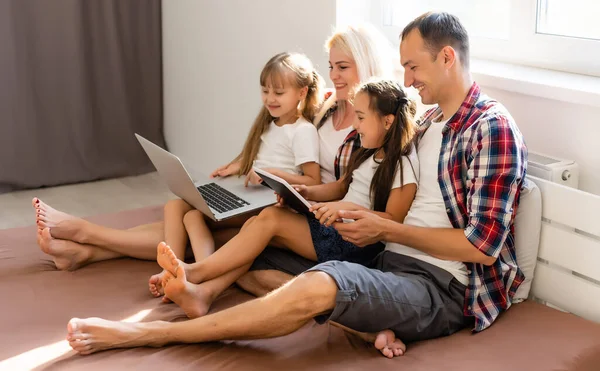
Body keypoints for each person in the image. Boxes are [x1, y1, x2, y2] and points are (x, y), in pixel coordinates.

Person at [65, 11, 526, 358]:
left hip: (439, 284)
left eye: (413, 68)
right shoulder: (424, 122)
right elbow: (366, 167)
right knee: (245, 245)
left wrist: (383, 228)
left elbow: (483, 247)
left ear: (447, 57)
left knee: (319, 284)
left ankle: (146, 334)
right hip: (386, 257)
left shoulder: (491, 128)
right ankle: (194, 285)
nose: (406, 80)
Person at [31, 24, 395, 297]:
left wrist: (281, 181)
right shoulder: (326, 108)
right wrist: (243, 164)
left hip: (304, 208)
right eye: (331, 66)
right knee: (191, 212)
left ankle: (89, 239)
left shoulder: (371, 124)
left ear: (365, 66)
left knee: (202, 224)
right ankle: (87, 252)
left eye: (342, 67)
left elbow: (330, 180)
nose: (333, 75)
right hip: (286, 196)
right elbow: (279, 134)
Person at [154, 79, 418, 317]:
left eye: (360, 117)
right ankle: (203, 294)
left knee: (270, 219)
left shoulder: (402, 164)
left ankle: (194, 272)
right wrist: (304, 193)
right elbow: (340, 188)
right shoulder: (367, 152)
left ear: (388, 121)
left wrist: (345, 211)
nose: (355, 125)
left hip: (354, 243)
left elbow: (392, 220)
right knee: (255, 229)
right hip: (333, 223)